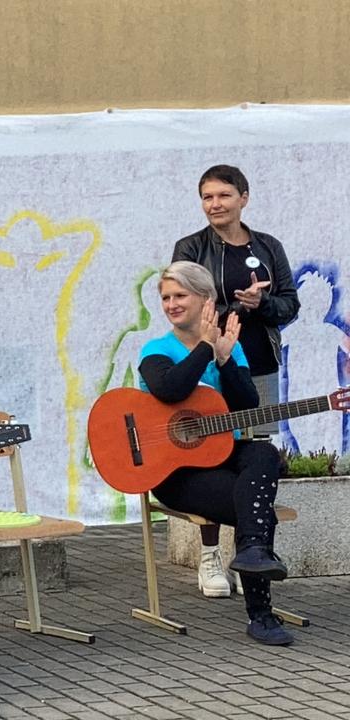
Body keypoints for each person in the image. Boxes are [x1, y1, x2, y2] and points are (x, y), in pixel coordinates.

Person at [138, 261, 293, 645]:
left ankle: (252, 553)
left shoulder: (230, 346)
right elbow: (171, 388)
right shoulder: (157, 350)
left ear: (206, 300)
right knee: (256, 510)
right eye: (166, 298)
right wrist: (206, 347)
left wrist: (225, 360)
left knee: (264, 454)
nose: (171, 304)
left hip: (221, 455)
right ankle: (261, 615)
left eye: (180, 295)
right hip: (175, 473)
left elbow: (246, 404)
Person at [171, 165, 300, 598]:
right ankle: (209, 556)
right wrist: (233, 309)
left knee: (255, 455)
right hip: (211, 365)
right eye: (207, 197)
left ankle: (249, 553)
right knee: (209, 455)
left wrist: (262, 303)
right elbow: (183, 303)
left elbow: (290, 305)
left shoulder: (268, 246)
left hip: (257, 365)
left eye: (224, 195)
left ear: (244, 198)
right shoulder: (191, 247)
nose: (215, 204)